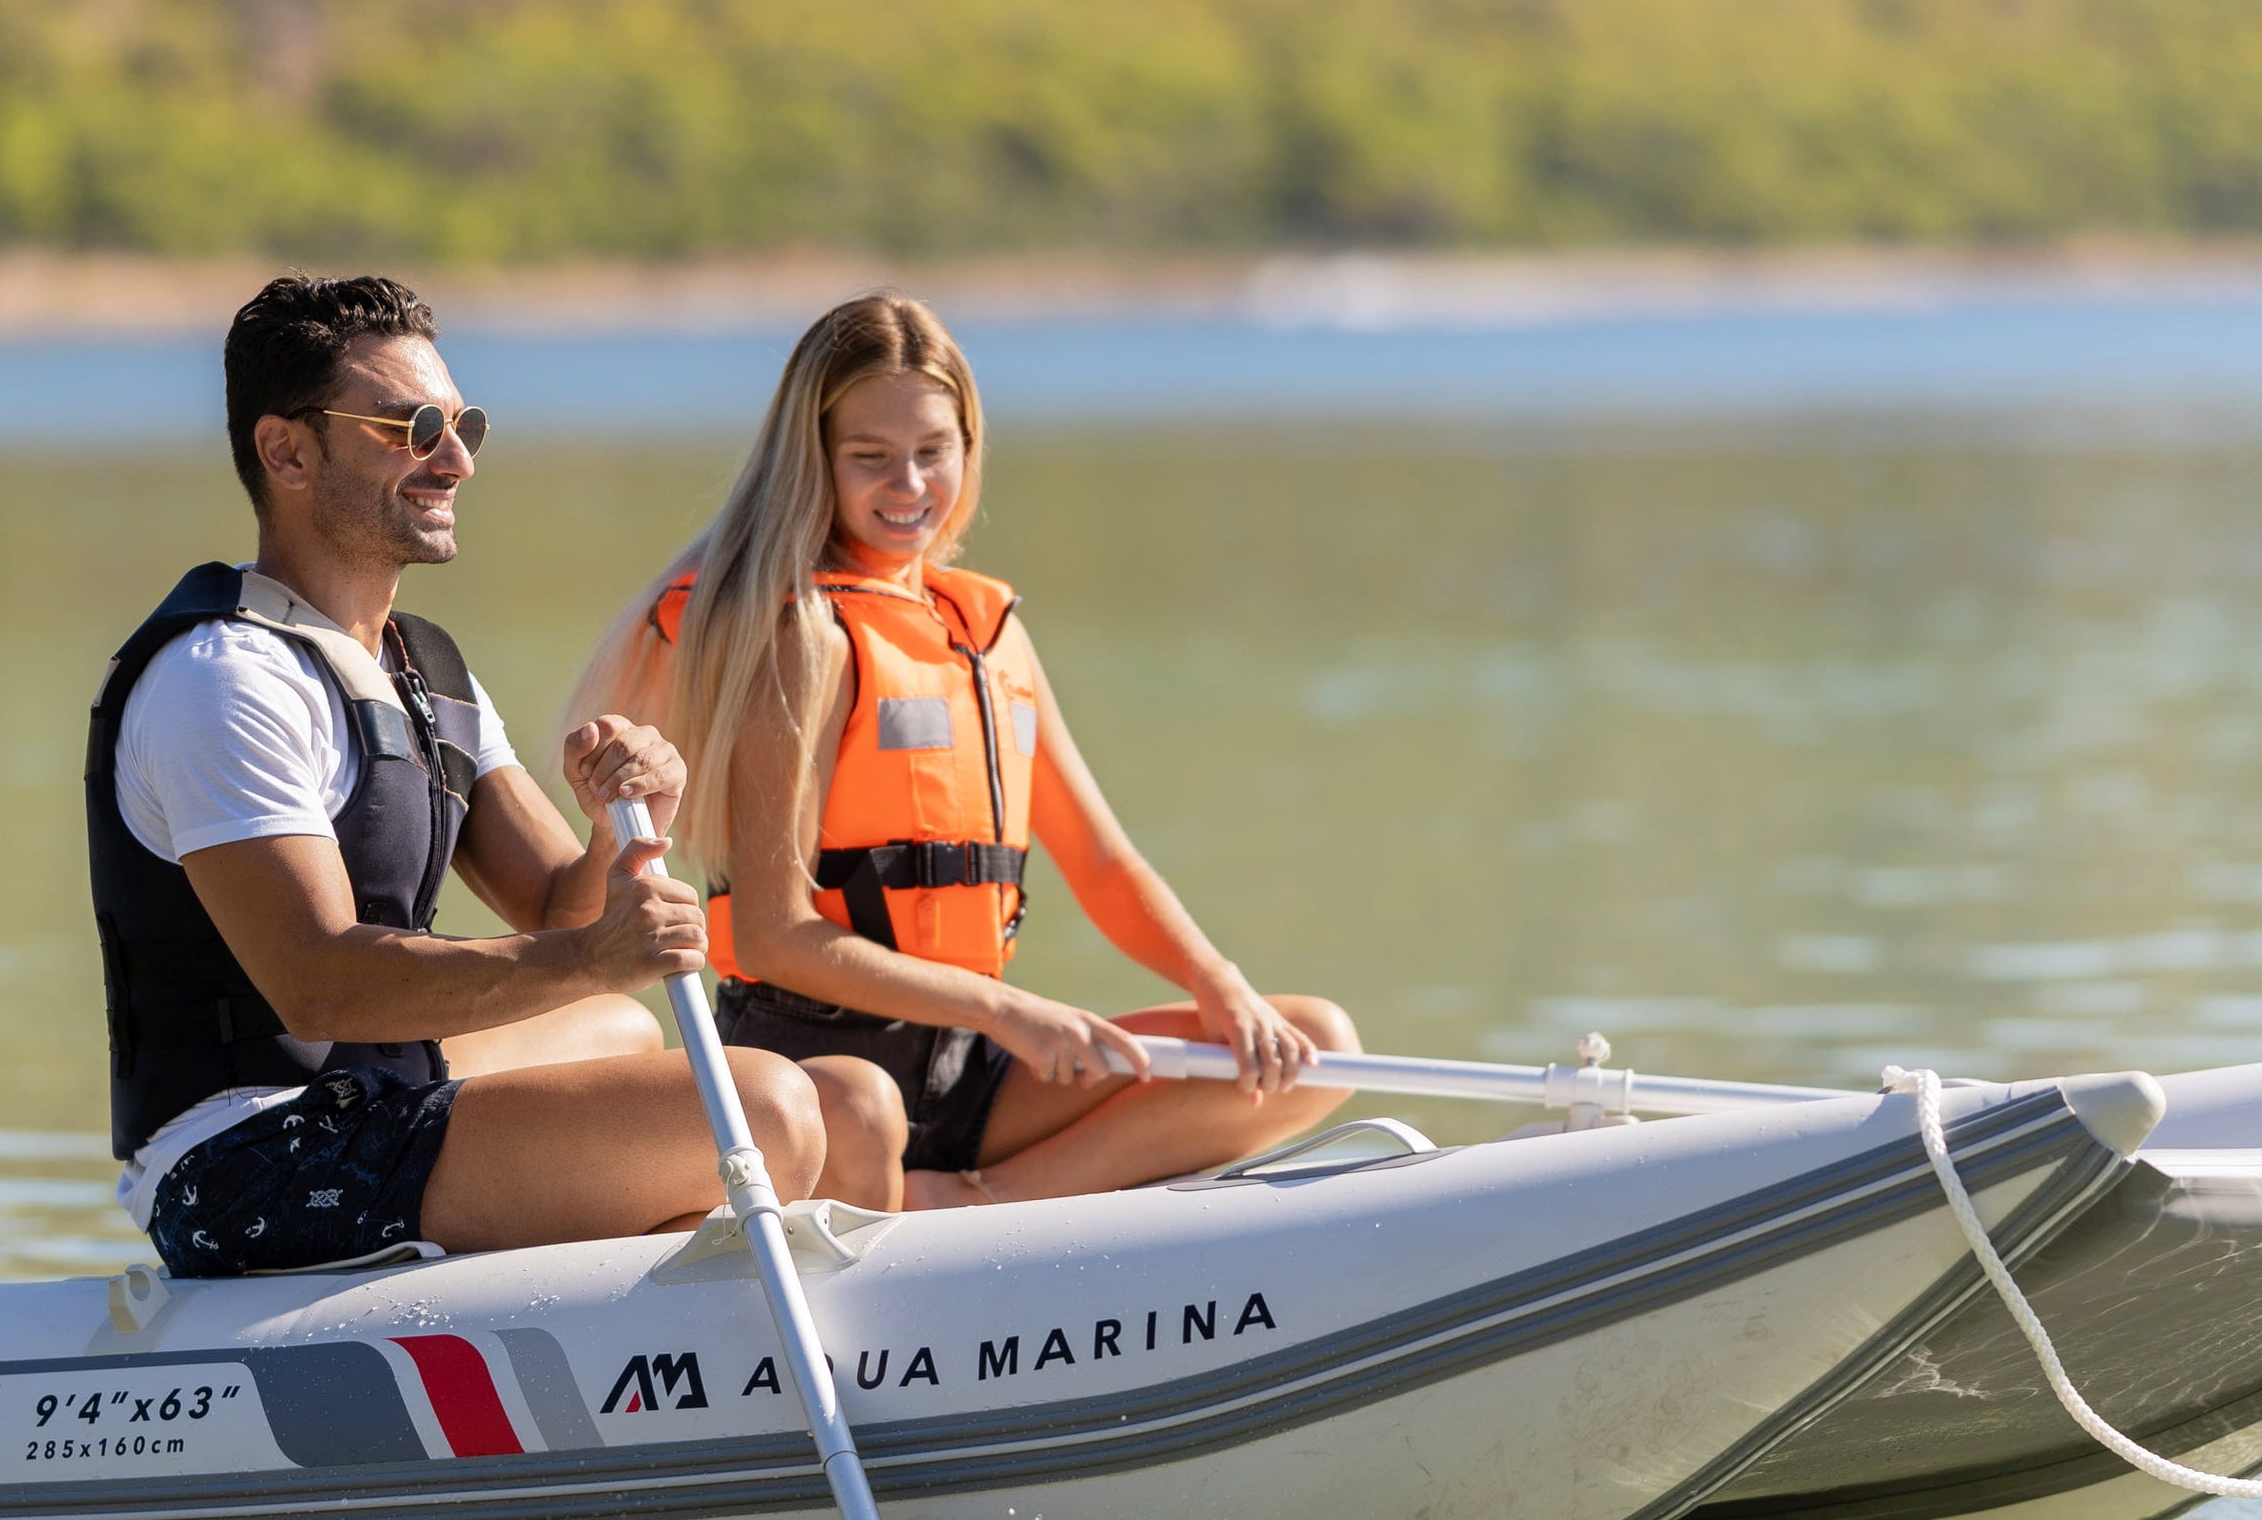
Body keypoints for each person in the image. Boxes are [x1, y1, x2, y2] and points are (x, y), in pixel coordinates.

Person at [84, 273, 897, 1276]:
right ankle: (679, 1321)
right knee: (768, 1107)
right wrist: (591, 955)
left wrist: (618, 825)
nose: (457, 458)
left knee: (750, 1073)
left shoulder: (423, 666)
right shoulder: (222, 679)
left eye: (463, 424)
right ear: (286, 451)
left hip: (365, 1098)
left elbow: (558, 908)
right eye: (411, 427)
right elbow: (318, 986)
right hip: (242, 1164)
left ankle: (693, 1323)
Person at [570, 292, 1360, 1207]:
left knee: (1314, 1045)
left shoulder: (984, 632)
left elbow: (1102, 862)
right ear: (814, 461)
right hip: (818, 1075)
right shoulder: (800, 637)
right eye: (871, 456)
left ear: (968, 449)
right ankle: (943, 1207)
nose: (908, 484)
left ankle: (980, 1199)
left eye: (933, 451)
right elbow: (775, 937)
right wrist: (1008, 1008)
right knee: (864, 1110)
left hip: (968, 1064)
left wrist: (1223, 988)